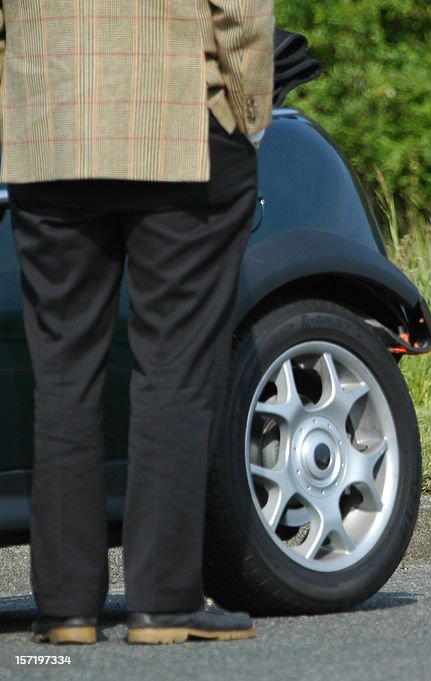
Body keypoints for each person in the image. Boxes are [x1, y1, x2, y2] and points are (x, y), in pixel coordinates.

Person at [0, 0, 274, 644]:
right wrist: (250, 117)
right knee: (174, 368)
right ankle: (163, 602)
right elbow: (240, 12)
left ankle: (65, 610)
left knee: (62, 372)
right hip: (178, 119)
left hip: (50, 130)